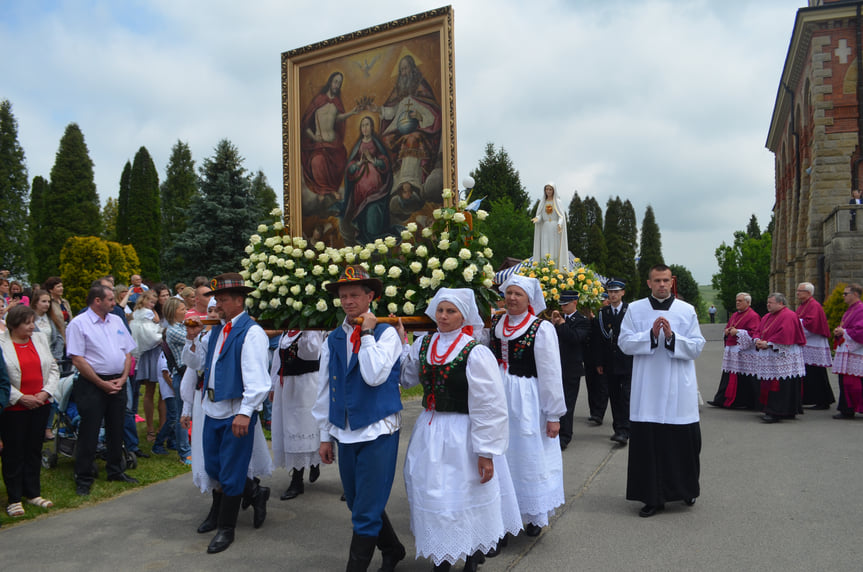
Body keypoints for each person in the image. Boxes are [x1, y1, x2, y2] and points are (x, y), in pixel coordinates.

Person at [398, 288, 521, 571]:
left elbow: (490, 405)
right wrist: (401, 342)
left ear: (463, 315)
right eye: (440, 310)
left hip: (463, 433)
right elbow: (407, 379)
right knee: (436, 494)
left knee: (464, 493)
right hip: (430, 430)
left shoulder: (474, 352)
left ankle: (471, 554)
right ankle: (443, 553)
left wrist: (486, 451)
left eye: (450, 311)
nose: (443, 316)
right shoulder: (424, 344)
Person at [312, 265, 405, 572]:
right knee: (357, 503)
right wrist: (325, 435)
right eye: (343, 296)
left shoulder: (386, 333)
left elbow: (375, 375)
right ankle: (393, 548)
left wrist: (366, 333)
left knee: (365, 511)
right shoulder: (334, 338)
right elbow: (325, 387)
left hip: (378, 429)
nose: (348, 301)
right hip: (346, 431)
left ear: (371, 297)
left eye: (354, 295)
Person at [182, 273, 272, 553]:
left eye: (221, 299)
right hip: (212, 408)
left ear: (238, 300)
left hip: (235, 410)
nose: (216, 303)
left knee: (231, 472)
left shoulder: (251, 332)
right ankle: (256, 493)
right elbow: (195, 362)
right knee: (214, 467)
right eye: (215, 298)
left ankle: (227, 528)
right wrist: (193, 340)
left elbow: (258, 378)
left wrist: (246, 412)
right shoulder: (217, 330)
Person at [618, 264, 705, 518]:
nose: (662, 285)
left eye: (666, 280)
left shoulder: (686, 310)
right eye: (657, 280)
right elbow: (624, 343)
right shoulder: (635, 309)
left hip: (680, 387)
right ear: (649, 283)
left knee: (684, 442)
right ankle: (652, 497)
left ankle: (686, 489)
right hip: (648, 389)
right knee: (650, 444)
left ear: (672, 281)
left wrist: (672, 337)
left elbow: (697, 346)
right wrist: (651, 335)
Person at [488, 274, 566, 537]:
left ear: (529, 299)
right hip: (499, 396)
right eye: (509, 292)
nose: (511, 298)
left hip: (528, 398)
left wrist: (553, 414)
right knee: (503, 452)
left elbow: (551, 373)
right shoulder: (497, 322)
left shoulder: (540, 328)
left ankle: (534, 514)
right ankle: (502, 512)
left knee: (528, 452)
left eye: (517, 294)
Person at [66, 283, 138, 496]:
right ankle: (84, 476)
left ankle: (115, 469)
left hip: (118, 382)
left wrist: (123, 378)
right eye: (110, 300)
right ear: (97, 301)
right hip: (92, 385)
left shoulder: (116, 320)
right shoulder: (79, 324)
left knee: (117, 427)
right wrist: (100, 382)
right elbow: (78, 359)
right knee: (90, 430)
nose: (115, 303)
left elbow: (127, 352)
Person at [0, 305, 61, 517]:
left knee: (33, 449)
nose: (32, 326)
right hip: (14, 408)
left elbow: (53, 368)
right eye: (27, 323)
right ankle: (14, 498)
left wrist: (45, 393)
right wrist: (20, 397)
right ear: (14, 325)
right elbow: (2, 379)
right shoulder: (2, 343)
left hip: (40, 404)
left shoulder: (40, 338)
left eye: (32, 322)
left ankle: (33, 492)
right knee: (14, 453)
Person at [269, 329, 323, 501]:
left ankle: (298, 479)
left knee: (305, 427)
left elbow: (311, 354)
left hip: (306, 386)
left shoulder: (311, 333)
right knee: (291, 430)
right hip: (287, 387)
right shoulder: (286, 334)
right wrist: (272, 385)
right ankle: (302, 472)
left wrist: (307, 328)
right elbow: (278, 361)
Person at [378, 54, 442, 192]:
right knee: (385, 140)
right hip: (400, 130)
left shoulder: (421, 86)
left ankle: (412, 181)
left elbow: (434, 113)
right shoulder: (399, 90)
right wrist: (378, 110)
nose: (404, 72)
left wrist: (419, 116)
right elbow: (393, 111)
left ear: (412, 69)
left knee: (412, 138)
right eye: (401, 70)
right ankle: (397, 183)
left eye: (406, 68)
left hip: (422, 131)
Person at [339, 115, 394, 244]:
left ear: (372, 127)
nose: (365, 128)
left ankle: (373, 240)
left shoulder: (376, 144)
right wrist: (359, 163)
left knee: (373, 216)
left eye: (367, 125)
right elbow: (350, 168)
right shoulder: (358, 146)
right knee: (362, 217)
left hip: (376, 191)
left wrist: (373, 160)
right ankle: (363, 237)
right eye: (362, 125)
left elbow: (385, 163)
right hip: (359, 192)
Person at [301, 71, 357, 196]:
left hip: (333, 145)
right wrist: (314, 137)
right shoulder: (318, 100)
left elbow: (338, 119)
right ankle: (327, 191)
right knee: (317, 161)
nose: (337, 85)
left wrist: (352, 113)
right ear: (330, 82)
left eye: (340, 83)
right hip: (319, 144)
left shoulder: (337, 102)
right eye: (336, 81)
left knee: (342, 160)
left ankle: (330, 192)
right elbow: (306, 125)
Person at [753, 293, 806, 423]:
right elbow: (758, 330)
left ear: (781, 303)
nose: (768, 305)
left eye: (771, 302)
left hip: (783, 355)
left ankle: (777, 411)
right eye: (767, 302)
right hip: (770, 354)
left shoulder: (788, 315)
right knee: (771, 381)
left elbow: (785, 334)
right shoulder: (766, 317)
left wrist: (768, 343)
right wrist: (757, 340)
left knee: (781, 383)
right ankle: (772, 408)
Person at [550, 290, 591, 451]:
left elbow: (575, 338)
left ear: (575, 302)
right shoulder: (556, 319)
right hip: (555, 366)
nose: (563, 307)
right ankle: (553, 431)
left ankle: (565, 436)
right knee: (554, 401)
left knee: (567, 403)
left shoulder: (582, 321)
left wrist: (561, 324)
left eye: (565, 304)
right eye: (561, 304)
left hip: (571, 368)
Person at [152, 297, 191, 463]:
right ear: (173, 311)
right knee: (183, 416)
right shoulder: (174, 330)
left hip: (187, 375)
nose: (185, 311)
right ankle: (184, 453)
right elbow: (195, 340)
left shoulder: (181, 326)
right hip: (181, 376)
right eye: (182, 309)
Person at [708, 292, 761, 409]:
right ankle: (722, 399)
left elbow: (754, 334)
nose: (737, 302)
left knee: (746, 377)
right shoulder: (735, 315)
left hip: (744, 352)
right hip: (733, 350)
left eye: (740, 301)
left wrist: (738, 332)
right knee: (728, 375)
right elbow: (729, 326)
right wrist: (726, 331)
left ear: (748, 302)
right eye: (737, 300)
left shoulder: (753, 316)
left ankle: (747, 402)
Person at [596, 279, 633, 445]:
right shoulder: (603, 313)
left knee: (626, 396)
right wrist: (599, 362)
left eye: (616, 292)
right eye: (610, 292)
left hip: (627, 360)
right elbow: (601, 340)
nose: (613, 295)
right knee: (614, 396)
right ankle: (618, 427)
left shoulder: (630, 310)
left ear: (623, 293)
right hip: (610, 361)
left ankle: (625, 429)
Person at [130, 290, 165, 443]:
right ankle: (152, 427)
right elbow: (151, 332)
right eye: (150, 301)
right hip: (150, 350)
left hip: (152, 351)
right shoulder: (145, 314)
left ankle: (161, 427)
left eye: (154, 302)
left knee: (163, 391)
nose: (152, 304)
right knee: (151, 391)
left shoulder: (138, 314)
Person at [795, 282, 836, 409]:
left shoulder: (814, 305)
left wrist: (796, 323)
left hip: (814, 343)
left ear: (808, 293)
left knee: (817, 373)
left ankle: (823, 400)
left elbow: (812, 323)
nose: (797, 293)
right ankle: (810, 398)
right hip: (806, 344)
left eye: (800, 290)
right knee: (809, 373)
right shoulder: (803, 305)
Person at [832, 283, 863, 419]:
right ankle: (847, 409)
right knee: (845, 381)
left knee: (855, 382)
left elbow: (860, 330)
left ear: (855, 294)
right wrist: (839, 331)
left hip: (856, 351)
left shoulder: (861, 309)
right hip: (847, 351)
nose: (843, 296)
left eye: (846, 294)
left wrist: (843, 331)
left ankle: (853, 408)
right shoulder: (850, 310)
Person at [531, 183, 569, 270]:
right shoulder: (543, 202)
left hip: (555, 227)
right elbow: (541, 215)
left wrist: (560, 223)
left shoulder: (558, 202)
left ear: (554, 191)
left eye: (550, 189)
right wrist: (537, 218)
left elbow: (561, 216)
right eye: (546, 189)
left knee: (554, 247)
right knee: (545, 247)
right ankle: (545, 267)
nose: (548, 191)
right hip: (545, 227)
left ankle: (554, 267)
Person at [43, 276, 71, 340]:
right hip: (57, 336)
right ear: (51, 289)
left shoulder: (65, 302)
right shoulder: (49, 303)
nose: (62, 288)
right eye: (58, 287)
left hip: (68, 335)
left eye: (62, 286)